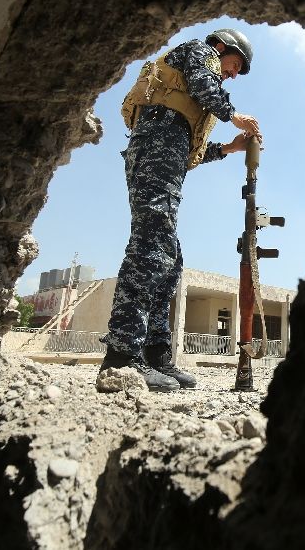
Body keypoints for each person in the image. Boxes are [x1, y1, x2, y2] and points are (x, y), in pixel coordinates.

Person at [98, 28, 262, 391]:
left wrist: (231, 149)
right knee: (150, 248)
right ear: (222, 47)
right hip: (153, 153)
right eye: (234, 65)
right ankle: (121, 359)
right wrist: (236, 116)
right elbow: (206, 87)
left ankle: (156, 356)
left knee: (169, 260)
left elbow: (191, 154)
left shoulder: (182, 106)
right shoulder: (199, 52)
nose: (232, 74)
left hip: (166, 160)